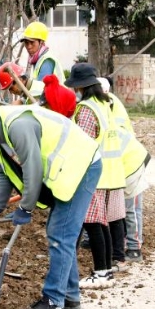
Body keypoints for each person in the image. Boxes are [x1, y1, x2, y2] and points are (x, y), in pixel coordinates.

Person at [0, 97, 102, 309]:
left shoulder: (17, 125)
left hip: (81, 166)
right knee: (60, 234)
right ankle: (70, 298)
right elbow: (4, 174)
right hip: (68, 170)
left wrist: (26, 208)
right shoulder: (0, 136)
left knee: (60, 234)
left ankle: (53, 301)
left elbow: (33, 167)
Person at [64, 63, 127, 288]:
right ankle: (107, 270)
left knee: (92, 223)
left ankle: (101, 273)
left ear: (80, 87)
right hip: (110, 173)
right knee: (101, 223)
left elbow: (83, 144)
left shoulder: (87, 110)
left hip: (93, 174)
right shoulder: (104, 104)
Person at [98, 77, 150, 263]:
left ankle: (135, 247)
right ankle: (122, 244)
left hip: (131, 163)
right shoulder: (102, 110)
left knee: (130, 208)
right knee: (117, 208)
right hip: (118, 164)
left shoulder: (111, 107)